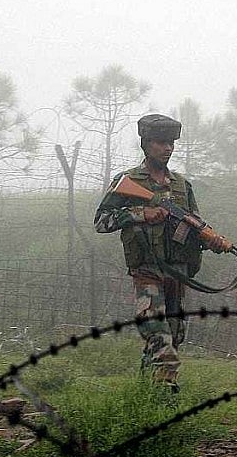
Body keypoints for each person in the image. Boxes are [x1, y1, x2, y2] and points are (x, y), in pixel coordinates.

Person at [94, 114, 228, 392]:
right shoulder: (129, 180)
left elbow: (194, 226)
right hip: (147, 272)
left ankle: (146, 394)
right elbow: (101, 221)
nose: (167, 148)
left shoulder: (181, 185)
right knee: (159, 337)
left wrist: (211, 240)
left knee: (174, 336)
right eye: (160, 142)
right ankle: (165, 395)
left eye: (171, 143)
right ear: (146, 144)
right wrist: (142, 213)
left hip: (177, 273)